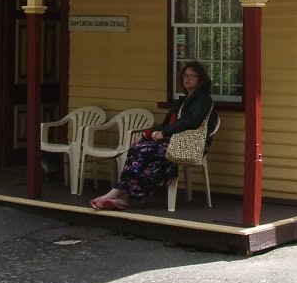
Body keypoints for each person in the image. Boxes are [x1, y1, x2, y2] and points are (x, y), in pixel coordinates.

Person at [89, 60, 218, 210]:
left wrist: (163, 133)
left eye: (192, 76)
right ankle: (123, 198)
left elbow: (189, 121)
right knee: (136, 148)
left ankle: (112, 195)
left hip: (190, 145)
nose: (187, 79)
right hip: (173, 142)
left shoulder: (202, 99)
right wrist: (146, 134)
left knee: (145, 152)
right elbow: (167, 125)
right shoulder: (184, 101)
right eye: (185, 76)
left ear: (200, 79)